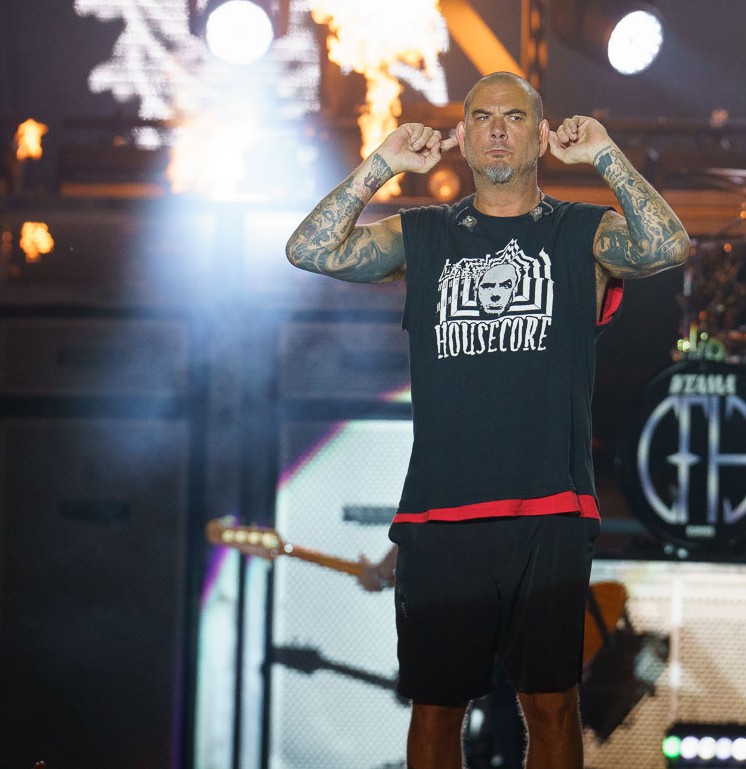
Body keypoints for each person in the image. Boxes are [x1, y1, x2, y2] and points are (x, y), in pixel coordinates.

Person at [286, 71, 690, 769]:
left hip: (550, 506)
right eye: (481, 117)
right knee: (438, 710)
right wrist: (381, 163)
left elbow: (668, 246)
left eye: (513, 117)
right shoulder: (423, 235)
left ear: (540, 136)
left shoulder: (581, 232)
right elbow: (310, 250)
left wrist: (604, 156)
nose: (497, 128)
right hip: (442, 514)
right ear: (464, 139)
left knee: (552, 703)